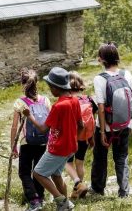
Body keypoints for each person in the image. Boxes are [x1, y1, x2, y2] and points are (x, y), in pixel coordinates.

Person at [22, 67, 83, 211]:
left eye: (50, 87)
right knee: (56, 175)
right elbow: (81, 124)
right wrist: (73, 138)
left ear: (56, 87)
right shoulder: (74, 101)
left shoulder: (58, 106)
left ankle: (62, 201)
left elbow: (43, 129)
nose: (50, 90)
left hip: (58, 148)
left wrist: (29, 116)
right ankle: (65, 205)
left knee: (38, 173)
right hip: (71, 147)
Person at [90, 42, 132, 198]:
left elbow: (101, 108)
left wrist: (102, 131)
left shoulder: (99, 79)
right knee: (121, 157)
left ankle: (98, 189)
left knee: (100, 157)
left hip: (107, 126)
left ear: (101, 60)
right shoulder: (126, 74)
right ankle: (124, 191)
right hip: (124, 124)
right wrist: (130, 123)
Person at [11, 68, 51, 211]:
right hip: (42, 141)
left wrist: (13, 146)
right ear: (37, 84)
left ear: (23, 84)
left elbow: (14, 127)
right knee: (38, 170)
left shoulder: (20, 102)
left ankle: (33, 199)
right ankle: (40, 196)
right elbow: (50, 122)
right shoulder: (45, 100)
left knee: (24, 172)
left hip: (26, 143)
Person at [65, 71, 97, 199]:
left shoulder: (68, 101)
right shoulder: (88, 99)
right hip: (84, 138)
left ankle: (78, 184)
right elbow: (92, 121)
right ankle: (76, 191)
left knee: (66, 163)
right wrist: (91, 138)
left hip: (71, 138)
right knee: (80, 163)